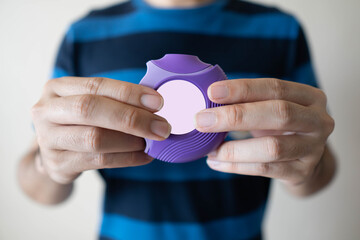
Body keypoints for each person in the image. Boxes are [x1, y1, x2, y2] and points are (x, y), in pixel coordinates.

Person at [17, 0, 336, 239]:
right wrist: (50, 166)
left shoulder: (281, 30)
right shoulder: (84, 35)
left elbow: (318, 168)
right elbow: (37, 181)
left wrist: (306, 165)